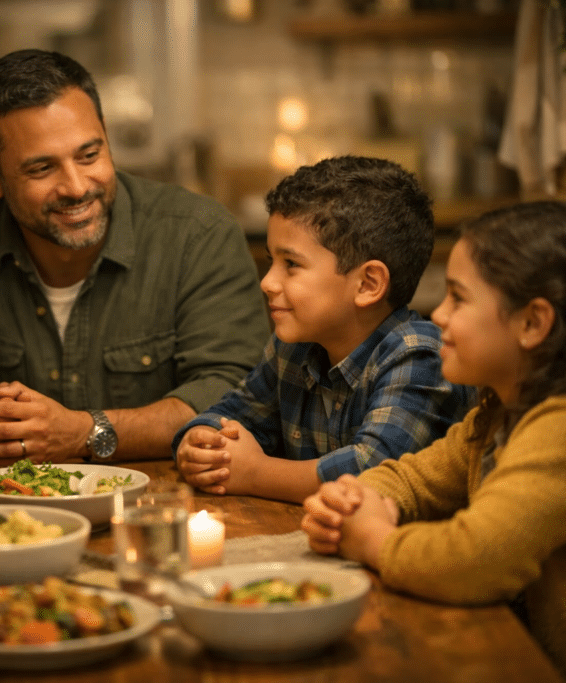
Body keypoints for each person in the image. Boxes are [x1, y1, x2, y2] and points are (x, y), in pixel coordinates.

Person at [0, 49, 270, 465]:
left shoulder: (199, 232)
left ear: (106, 136)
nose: (76, 187)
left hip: (161, 503)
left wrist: (86, 432)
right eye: (41, 169)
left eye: (89, 155)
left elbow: (232, 397)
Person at [301, 200, 566, 683]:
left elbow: (475, 558)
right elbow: (415, 476)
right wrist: (356, 500)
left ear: (532, 323)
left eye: (458, 297)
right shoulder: (498, 414)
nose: (438, 314)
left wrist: (375, 539)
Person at [173, 156, 474, 503]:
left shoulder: (419, 354)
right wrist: (199, 443)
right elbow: (233, 412)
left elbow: (371, 472)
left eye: (292, 265)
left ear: (367, 284)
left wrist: (254, 474)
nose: (268, 283)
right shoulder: (295, 346)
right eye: (272, 262)